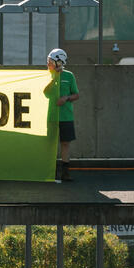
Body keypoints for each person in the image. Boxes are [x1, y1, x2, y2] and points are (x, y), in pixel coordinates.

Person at [48, 48, 80, 182]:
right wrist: (53, 79)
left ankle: (65, 172)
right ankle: (50, 171)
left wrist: (66, 98)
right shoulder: (47, 76)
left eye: (51, 61)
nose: (48, 64)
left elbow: (76, 95)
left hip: (66, 116)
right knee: (50, 144)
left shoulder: (69, 76)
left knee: (65, 144)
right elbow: (43, 93)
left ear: (59, 62)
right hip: (51, 117)